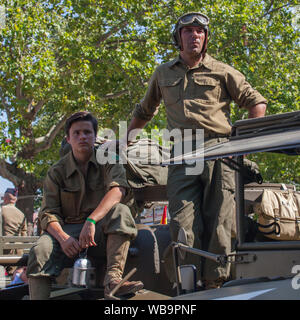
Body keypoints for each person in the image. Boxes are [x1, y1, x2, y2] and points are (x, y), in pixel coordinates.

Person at [126, 12, 267, 289]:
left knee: (220, 220)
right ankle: (188, 285)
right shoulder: (163, 73)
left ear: (206, 38)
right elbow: (144, 110)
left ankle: (215, 283)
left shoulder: (222, 70)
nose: (195, 36)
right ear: (178, 38)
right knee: (181, 221)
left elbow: (257, 104)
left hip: (219, 149)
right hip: (181, 153)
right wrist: (123, 142)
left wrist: (243, 147)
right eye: (188, 31)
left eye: (200, 31)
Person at [26, 111, 143, 299]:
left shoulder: (109, 160)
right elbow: (48, 213)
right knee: (40, 250)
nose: (82, 137)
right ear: (68, 139)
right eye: (77, 133)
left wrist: (91, 221)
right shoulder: (56, 172)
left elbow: (118, 191)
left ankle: (113, 280)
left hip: (100, 229)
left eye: (87, 132)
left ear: (94, 137)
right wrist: (63, 238)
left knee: (121, 212)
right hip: (67, 233)